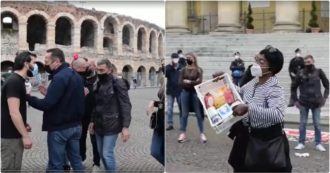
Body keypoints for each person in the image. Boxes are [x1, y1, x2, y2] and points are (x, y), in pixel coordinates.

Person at [214, 45, 292, 172]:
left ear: (272, 67)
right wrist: (225, 80)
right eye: (257, 60)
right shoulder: (253, 82)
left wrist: (249, 108)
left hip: (265, 143)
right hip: (247, 138)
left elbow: (277, 114)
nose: (256, 65)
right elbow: (239, 93)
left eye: (261, 62)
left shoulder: (275, 89)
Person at [26, 48, 85, 171]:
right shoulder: (76, 76)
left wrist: (29, 98)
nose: (45, 64)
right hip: (76, 126)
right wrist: (49, 93)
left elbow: (47, 105)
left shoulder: (59, 78)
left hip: (60, 128)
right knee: (76, 161)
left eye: (47, 61)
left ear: (57, 61)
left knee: (55, 164)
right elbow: (66, 98)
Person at [88, 58, 132, 172]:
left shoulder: (118, 82)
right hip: (98, 124)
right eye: (97, 70)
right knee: (101, 154)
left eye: (102, 70)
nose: (99, 73)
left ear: (109, 69)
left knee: (107, 154)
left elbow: (125, 104)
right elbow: (95, 105)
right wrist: (92, 121)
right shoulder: (97, 83)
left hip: (112, 123)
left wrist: (125, 127)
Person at [1, 51, 35, 172]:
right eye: (33, 63)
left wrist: (24, 124)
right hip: (10, 135)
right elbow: (14, 112)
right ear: (26, 64)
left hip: (14, 133)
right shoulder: (14, 82)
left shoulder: (18, 80)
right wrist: (26, 136)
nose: (34, 66)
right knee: (11, 169)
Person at [291, 55, 329, 152]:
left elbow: (327, 85)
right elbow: (293, 87)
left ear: (313, 61)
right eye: (306, 62)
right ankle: (301, 143)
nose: (308, 63)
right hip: (303, 103)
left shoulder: (319, 72)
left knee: (317, 124)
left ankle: (318, 143)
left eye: (309, 62)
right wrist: (295, 100)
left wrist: (324, 98)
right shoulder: (300, 73)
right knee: (302, 124)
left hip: (316, 103)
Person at [71, 58, 101, 171]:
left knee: (95, 140)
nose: (87, 68)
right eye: (85, 66)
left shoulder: (98, 78)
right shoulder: (78, 77)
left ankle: (96, 163)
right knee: (80, 138)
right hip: (81, 114)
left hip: (95, 114)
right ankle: (81, 159)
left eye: (89, 65)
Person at [177, 53, 207, 143]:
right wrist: (193, 82)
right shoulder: (183, 70)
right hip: (185, 93)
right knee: (184, 114)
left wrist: (188, 81)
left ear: (194, 59)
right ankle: (183, 133)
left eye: (190, 58)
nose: (188, 59)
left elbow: (199, 82)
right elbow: (180, 82)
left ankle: (202, 133)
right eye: (187, 58)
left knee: (198, 114)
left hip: (195, 94)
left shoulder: (199, 70)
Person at [147, 83, 165, 165]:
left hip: (166, 123)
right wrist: (154, 103)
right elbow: (163, 105)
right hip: (159, 123)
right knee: (155, 152)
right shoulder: (164, 80)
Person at [165, 53, 182, 131]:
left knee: (181, 108)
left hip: (179, 90)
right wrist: (171, 66)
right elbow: (165, 74)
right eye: (173, 58)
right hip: (170, 91)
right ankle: (170, 124)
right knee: (169, 108)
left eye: (176, 58)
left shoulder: (181, 67)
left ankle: (182, 124)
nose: (175, 60)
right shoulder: (168, 67)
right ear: (171, 59)